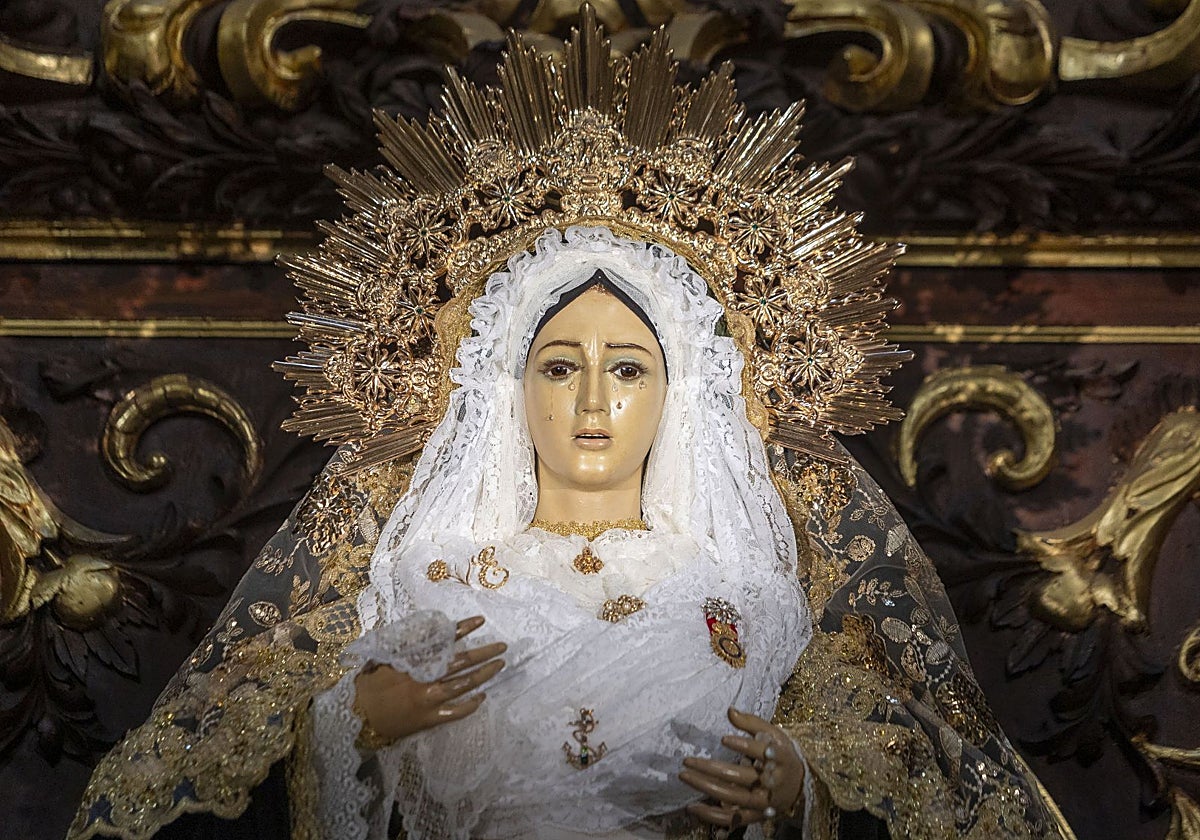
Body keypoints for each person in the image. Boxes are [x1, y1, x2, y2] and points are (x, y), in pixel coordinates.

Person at [69, 11, 1062, 840]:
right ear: (509, 387)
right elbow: (292, 744)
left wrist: (794, 783)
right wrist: (350, 722)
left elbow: (884, 760)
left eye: (628, 368)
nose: (594, 402)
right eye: (560, 366)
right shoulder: (431, 575)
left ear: (685, 393)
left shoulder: (749, 591)